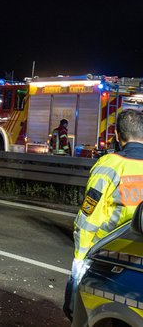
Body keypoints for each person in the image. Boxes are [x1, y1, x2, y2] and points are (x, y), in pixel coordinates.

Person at [64, 109, 143, 318]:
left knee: (84, 316)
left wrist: (80, 260)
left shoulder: (110, 166)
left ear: (117, 135)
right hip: (139, 258)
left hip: (107, 256)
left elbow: (88, 219)